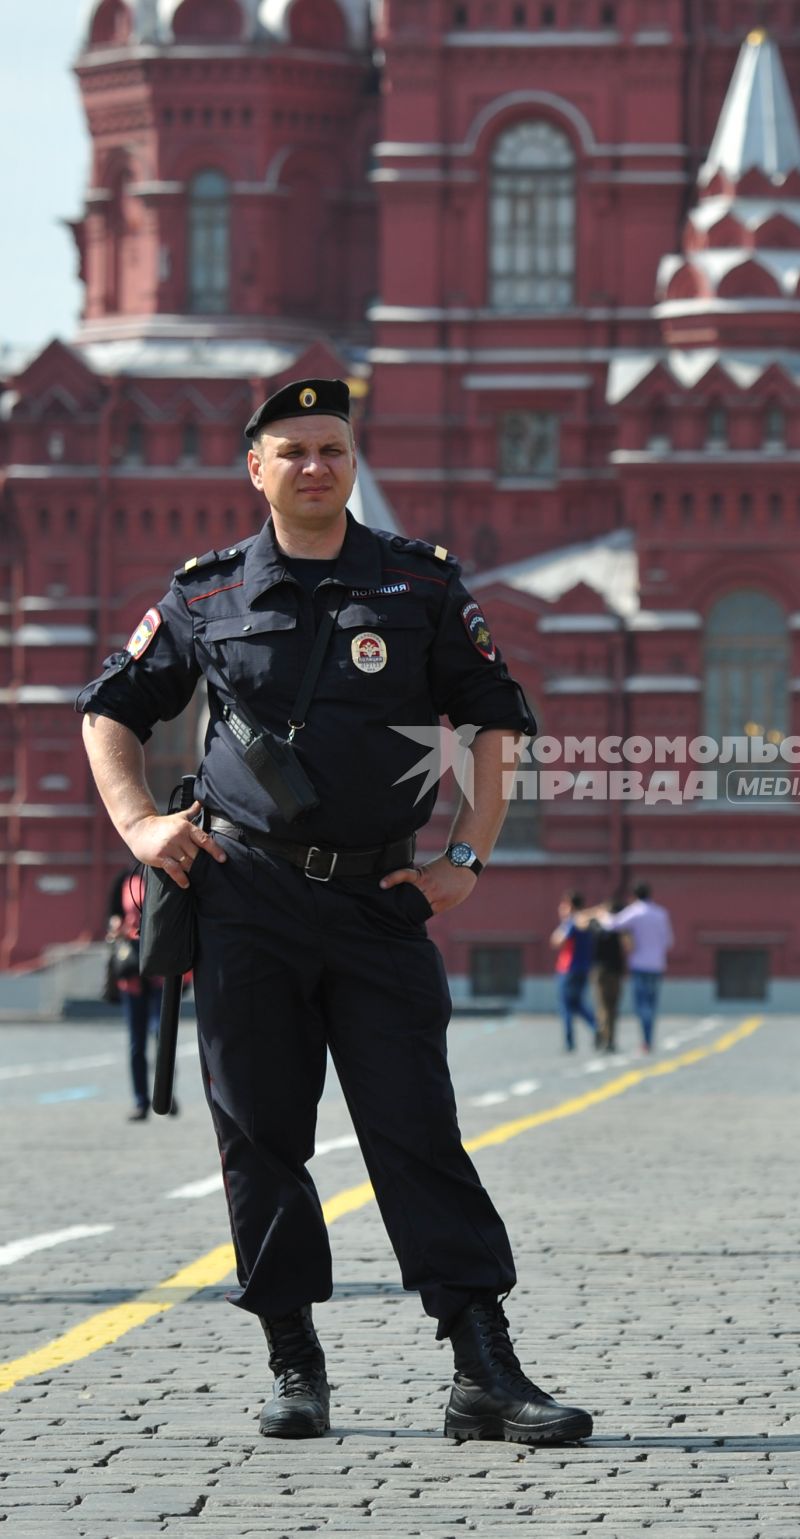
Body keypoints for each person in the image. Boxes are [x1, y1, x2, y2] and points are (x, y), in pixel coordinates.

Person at [78, 377, 592, 1447]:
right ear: (255, 469)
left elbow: (497, 723)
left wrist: (467, 855)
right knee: (260, 1137)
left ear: (353, 463)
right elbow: (109, 711)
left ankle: (481, 1368)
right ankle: (293, 1361)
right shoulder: (207, 596)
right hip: (247, 899)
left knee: (416, 1128)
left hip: (377, 898)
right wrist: (136, 824)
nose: (317, 466)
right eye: (295, 450)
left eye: (334, 448)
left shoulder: (419, 585)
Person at [106, 867, 172, 1121]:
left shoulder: (165, 872)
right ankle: (140, 1101)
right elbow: (112, 914)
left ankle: (164, 1092)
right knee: (136, 1042)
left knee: (161, 1033)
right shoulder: (122, 879)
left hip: (159, 969)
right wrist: (115, 925)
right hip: (132, 969)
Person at [592, 882, 674, 1053]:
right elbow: (668, 941)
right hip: (657, 965)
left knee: (641, 1005)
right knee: (651, 1004)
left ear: (635, 896)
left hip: (640, 965)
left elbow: (613, 924)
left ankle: (646, 1041)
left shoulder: (635, 912)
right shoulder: (661, 913)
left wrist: (601, 914)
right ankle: (649, 1039)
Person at [550, 892, 597, 1051]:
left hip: (568, 968)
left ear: (570, 906)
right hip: (583, 967)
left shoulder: (572, 921)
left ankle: (569, 1041)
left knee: (566, 1005)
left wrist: (562, 925)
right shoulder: (585, 920)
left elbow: (557, 941)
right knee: (577, 1004)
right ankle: (597, 1027)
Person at [590, 901, 628, 1053]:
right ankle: (608, 1038)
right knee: (609, 1007)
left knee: (605, 1006)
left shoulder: (597, 925)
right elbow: (629, 946)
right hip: (611, 971)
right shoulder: (619, 928)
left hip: (602, 971)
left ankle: (604, 1035)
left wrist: (595, 912)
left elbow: (579, 919)